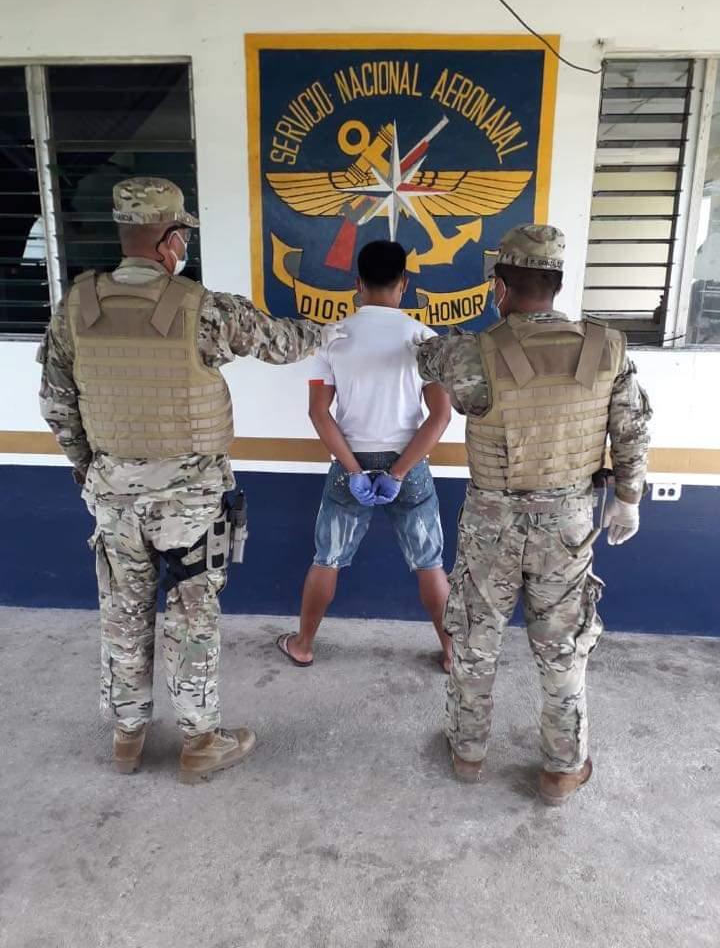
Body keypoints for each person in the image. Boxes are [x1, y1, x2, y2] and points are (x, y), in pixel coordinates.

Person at [38, 177, 343, 783]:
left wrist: (89, 467)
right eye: (183, 238)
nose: (184, 248)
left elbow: (56, 403)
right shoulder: (203, 309)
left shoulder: (76, 307)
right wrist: (334, 331)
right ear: (170, 239)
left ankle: (127, 737)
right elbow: (283, 344)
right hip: (190, 506)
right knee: (191, 616)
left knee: (123, 613)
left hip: (114, 497)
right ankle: (199, 740)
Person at [417, 224, 652, 805]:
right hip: (568, 525)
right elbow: (631, 430)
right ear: (558, 283)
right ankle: (562, 770)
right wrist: (628, 498)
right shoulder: (607, 348)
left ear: (500, 285)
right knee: (563, 647)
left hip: (491, 524)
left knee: (475, 641)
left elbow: (428, 359)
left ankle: (468, 753)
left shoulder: (473, 352)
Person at [276, 240, 453, 671]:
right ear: (404, 283)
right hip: (409, 465)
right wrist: (398, 472)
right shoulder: (424, 338)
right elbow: (441, 416)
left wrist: (354, 470)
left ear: (358, 284)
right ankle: (453, 653)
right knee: (429, 563)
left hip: (349, 462)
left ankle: (303, 645)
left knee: (328, 558)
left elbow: (319, 413)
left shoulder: (333, 338)